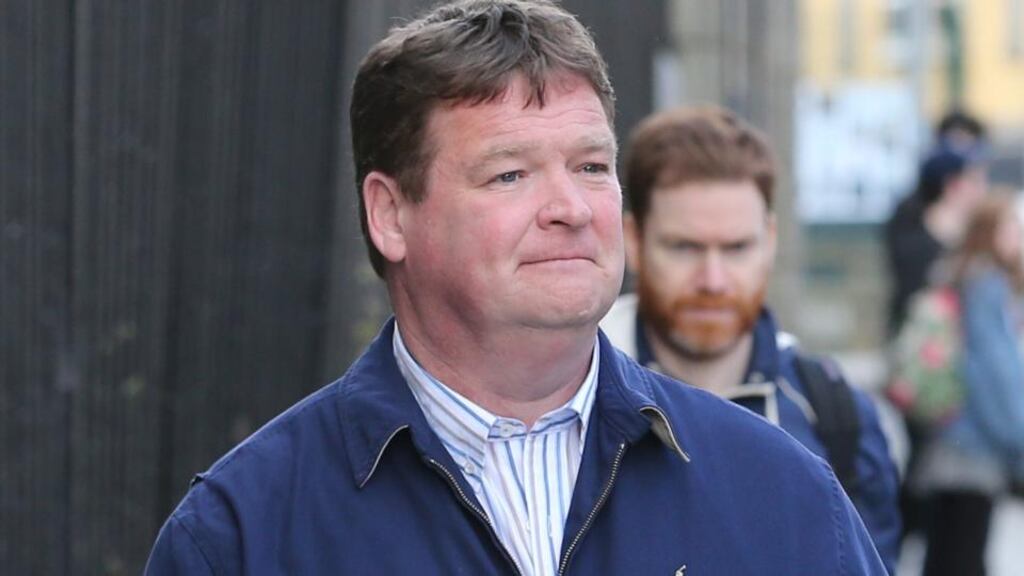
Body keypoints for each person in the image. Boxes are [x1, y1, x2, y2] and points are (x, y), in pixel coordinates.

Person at [145, 1, 887, 574]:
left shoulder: (782, 494)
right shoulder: (245, 533)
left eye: (593, 166)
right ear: (390, 214)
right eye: (510, 174)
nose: (570, 207)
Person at [600, 106, 901, 574]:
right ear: (633, 240)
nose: (714, 279)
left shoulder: (836, 418)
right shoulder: (573, 403)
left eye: (737, 248)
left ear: (771, 240)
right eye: (685, 247)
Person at [883, 112, 989, 544]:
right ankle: (897, 537)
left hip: (962, 376)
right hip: (923, 370)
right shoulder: (913, 229)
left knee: (954, 481)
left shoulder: (975, 234)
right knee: (925, 470)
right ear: (954, 184)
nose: (981, 187)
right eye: (974, 178)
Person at [912, 192, 1024, 576]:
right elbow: (995, 371)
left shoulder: (959, 274)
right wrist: (1018, 436)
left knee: (943, 551)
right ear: (990, 232)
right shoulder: (988, 285)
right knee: (966, 555)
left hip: (949, 434)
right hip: (975, 446)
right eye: (1010, 227)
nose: (1018, 236)